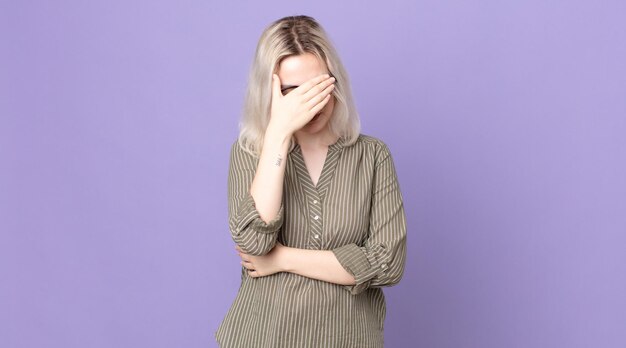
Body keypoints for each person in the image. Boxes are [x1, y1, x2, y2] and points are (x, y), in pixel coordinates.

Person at [215, 15, 407, 348]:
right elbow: (254, 244)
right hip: (264, 338)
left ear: (336, 81)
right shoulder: (250, 152)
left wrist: (281, 259)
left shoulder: (373, 156)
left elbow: (388, 263)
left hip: (351, 339)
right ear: (271, 92)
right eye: (293, 91)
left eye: (318, 86)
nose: (311, 103)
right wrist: (277, 134)